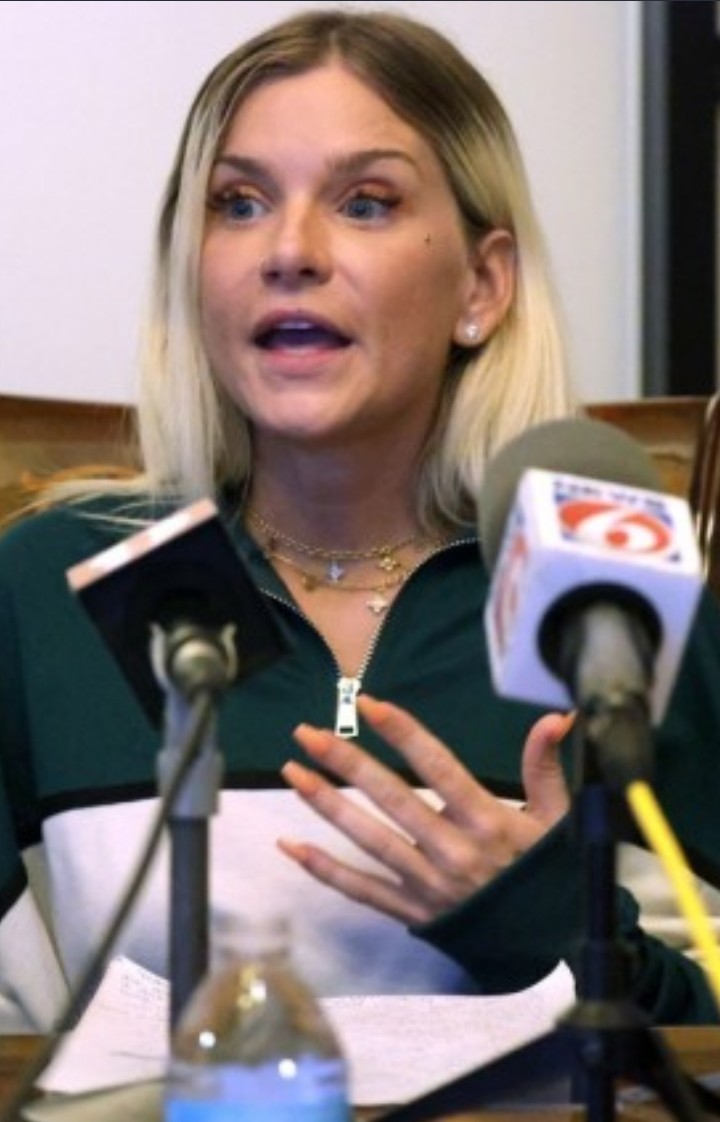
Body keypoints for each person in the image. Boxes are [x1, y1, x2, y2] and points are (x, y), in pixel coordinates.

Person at [1, 6, 720, 1037]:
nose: (289, 251)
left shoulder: (612, 596)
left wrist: (564, 930)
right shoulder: (50, 586)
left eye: (366, 203)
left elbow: (704, 1044)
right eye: (240, 203)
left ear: (482, 285)